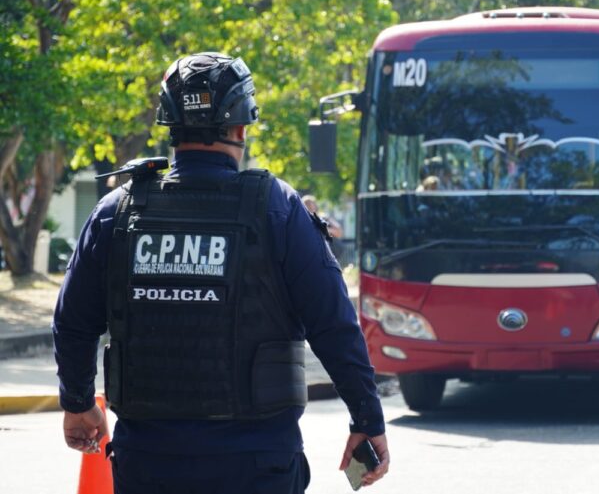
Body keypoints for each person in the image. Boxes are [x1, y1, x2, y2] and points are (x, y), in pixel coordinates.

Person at [53, 52, 389, 493]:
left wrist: (79, 404)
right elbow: (333, 322)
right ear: (241, 126)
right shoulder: (278, 208)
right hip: (256, 465)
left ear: (169, 124)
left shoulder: (118, 210)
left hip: (148, 464)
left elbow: (72, 322)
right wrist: (366, 417)